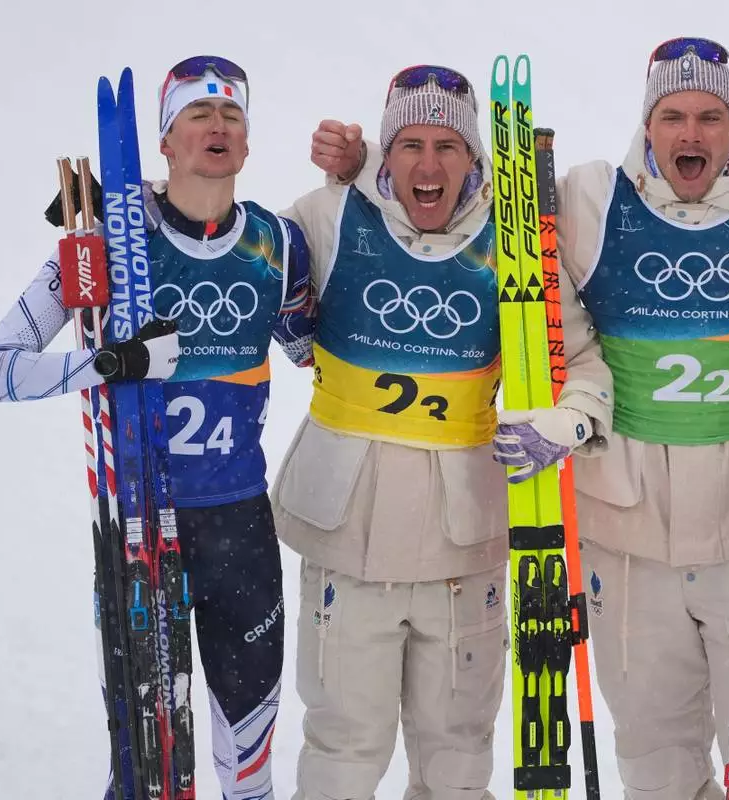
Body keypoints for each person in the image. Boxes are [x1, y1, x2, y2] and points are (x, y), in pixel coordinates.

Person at [494, 37, 729, 800]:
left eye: (710, 117)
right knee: (654, 760)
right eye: (671, 116)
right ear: (648, 125)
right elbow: (479, 215)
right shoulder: (589, 199)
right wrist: (356, 170)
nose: (690, 135)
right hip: (626, 534)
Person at [0, 55, 316, 799]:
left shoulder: (277, 244)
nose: (218, 127)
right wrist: (110, 364)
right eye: (197, 115)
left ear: (248, 140)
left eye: (232, 116)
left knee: (250, 759)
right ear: (165, 141)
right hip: (138, 525)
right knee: (146, 765)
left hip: (240, 526)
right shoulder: (109, 239)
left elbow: (317, 353)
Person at [278, 65, 580, 800]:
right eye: (408, 144)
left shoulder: (519, 246)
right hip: (348, 530)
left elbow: (585, 357)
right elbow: (258, 290)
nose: (429, 164)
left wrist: (566, 422)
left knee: (457, 757)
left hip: (462, 540)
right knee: (344, 745)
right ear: (384, 155)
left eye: (449, 145)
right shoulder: (325, 216)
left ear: (476, 160)